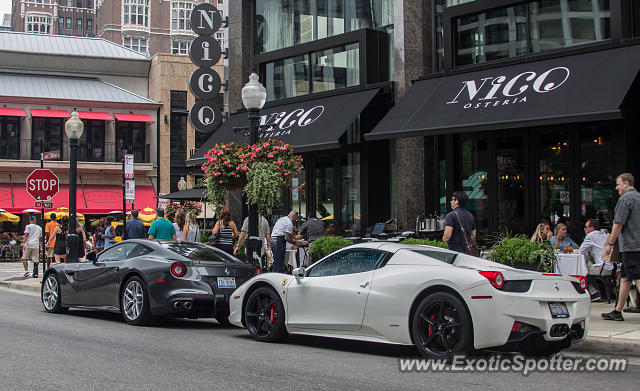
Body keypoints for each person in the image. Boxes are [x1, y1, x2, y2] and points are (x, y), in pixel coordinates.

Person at [602, 173, 640, 321]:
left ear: (626, 183)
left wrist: (610, 243)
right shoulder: (638, 197)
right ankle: (617, 311)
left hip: (631, 245)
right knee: (625, 278)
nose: (617, 188)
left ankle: (617, 311)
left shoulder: (625, 199)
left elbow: (618, 224)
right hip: (636, 244)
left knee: (636, 276)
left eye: (618, 184)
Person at [579, 218, 612, 302]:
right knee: (588, 265)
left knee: (582, 272)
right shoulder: (604, 234)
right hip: (610, 267)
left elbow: (581, 251)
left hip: (602, 268)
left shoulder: (591, 236)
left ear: (592, 228)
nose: (584, 229)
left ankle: (593, 293)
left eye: (586, 227)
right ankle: (598, 292)